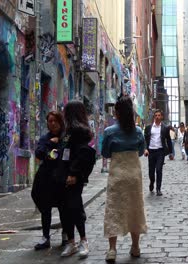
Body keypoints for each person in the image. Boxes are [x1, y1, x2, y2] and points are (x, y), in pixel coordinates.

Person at [101, 96, 147, 262]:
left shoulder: (109, 132)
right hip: (134, 175)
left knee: (114, 209)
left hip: (117, 175)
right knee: (135, 209)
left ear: (117, 113)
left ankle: (112, 250)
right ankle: (135, 247)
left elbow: (105, 153)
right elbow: (141, 152)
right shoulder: (138, 132)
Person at [58, 101, 96, 258]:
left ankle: (83, 241)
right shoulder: (69, 131)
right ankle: (71, 242)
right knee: (65, 209)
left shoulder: (79, 130)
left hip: (73, 176)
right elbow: (63, 148)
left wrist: (73, 173)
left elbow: (82, 154)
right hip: (64, 174)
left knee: (74, 207)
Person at [31, 111, 66, 250]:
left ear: (60, 122)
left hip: (61, 177)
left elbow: (64, 152)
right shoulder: (46, 138)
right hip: (46, 178)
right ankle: (46, 237)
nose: (52, 123)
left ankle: (65, 234)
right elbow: (39, 153)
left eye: (55, 121)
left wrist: (55, 147)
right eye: (50, 121)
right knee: (45, 207)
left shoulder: (66, 136)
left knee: (64, 207)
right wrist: (50, 146)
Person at [144, 109, 173, 196]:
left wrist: (171, 153)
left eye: (159, 115)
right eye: (156, 115)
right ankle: (152, 182)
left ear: (161, 117)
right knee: (151, 171)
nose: (157, 117)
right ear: (154, 117)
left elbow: (168, 140)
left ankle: (158, 189)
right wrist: (145, 149)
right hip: (151, 151)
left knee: (159, 170)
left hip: (160, 151)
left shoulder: (165, 128)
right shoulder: (149, 127)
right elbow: (145, 139)